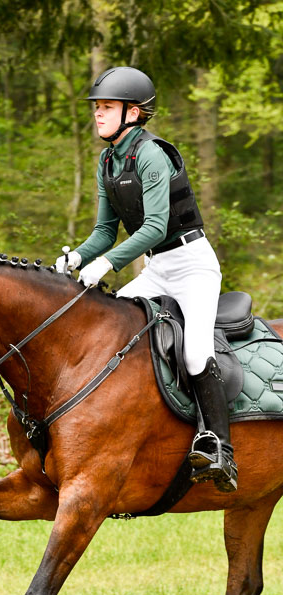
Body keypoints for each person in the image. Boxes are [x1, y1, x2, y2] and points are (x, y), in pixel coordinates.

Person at [55, 66, 237, 493]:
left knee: (194, 354)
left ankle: (220, 450)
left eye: (107, 108)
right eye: (97, 108)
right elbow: (105, 231)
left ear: (133, 113)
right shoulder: (107, 160)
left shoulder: (153, 155)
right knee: (112, 332)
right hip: (157, 269)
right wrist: (79, 257)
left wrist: (108, 264)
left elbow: (155, 227)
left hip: (193, 266)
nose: (98, 115)